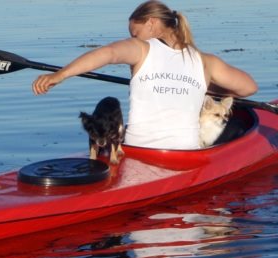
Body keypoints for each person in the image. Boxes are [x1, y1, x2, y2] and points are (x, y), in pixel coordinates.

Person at [32, 0, 258, 150]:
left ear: (151, 23)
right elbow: (248, 88)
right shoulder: (206, 61)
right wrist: (205, 86)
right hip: (185, 154)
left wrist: (59, 75)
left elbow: (108, 53)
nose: (133, 37)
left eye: (135, 32)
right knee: (239, 122)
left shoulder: (141, 49)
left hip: (137, 151)